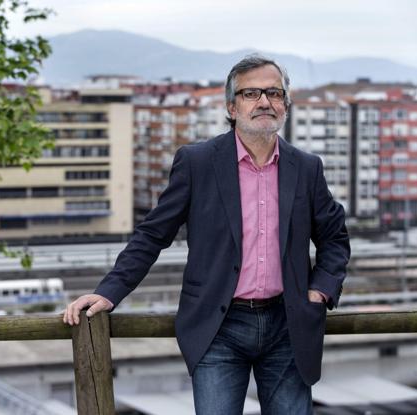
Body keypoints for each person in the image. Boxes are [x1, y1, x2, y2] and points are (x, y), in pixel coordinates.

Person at [63, 54, 351, 414]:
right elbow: (153, 234)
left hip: (288, 327)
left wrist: (319, 291)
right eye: (251, 94)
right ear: (232, 107)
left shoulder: (307, 168)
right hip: (218, 327)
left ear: (285, 104)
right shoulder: (197, 162)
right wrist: (108, 292)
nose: (265, 102)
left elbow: (335, 238)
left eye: (275, 93)